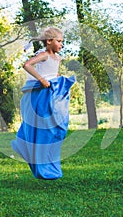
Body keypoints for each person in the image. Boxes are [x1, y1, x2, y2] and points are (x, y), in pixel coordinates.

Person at [11, 27, 75, 180]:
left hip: (52, 92)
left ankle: (47, 159)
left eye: (62, 42)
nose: (61, 44)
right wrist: (41, 79)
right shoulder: (44, 55)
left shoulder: (57, 58)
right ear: (49, 41)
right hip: (42, 93)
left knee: (57, 124)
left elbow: (54, 73)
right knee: (42, 122)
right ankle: (28, 147)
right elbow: (27, 65)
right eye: (59, 41)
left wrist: (59, 80)